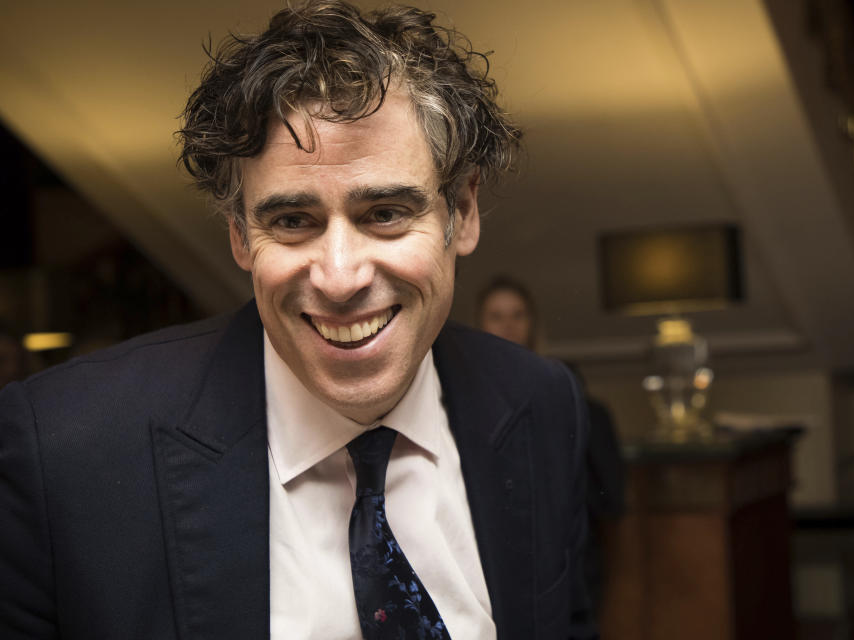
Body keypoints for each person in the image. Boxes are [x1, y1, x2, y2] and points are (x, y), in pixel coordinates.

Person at [0, 3, 596, 639]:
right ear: (238, 236)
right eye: (291, 222)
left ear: (464, 212)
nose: (339, 278)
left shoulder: (540, 403)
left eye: (387, 213)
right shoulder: (61, 451)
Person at [476, 278, 625, 613]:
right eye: (496, 316)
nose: (508, 326)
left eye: (518, 315)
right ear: (480, 324)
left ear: (532, 323)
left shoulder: (572, 398)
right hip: (491, 564)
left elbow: (610, 498)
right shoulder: (460, 399)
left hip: (563, 560)